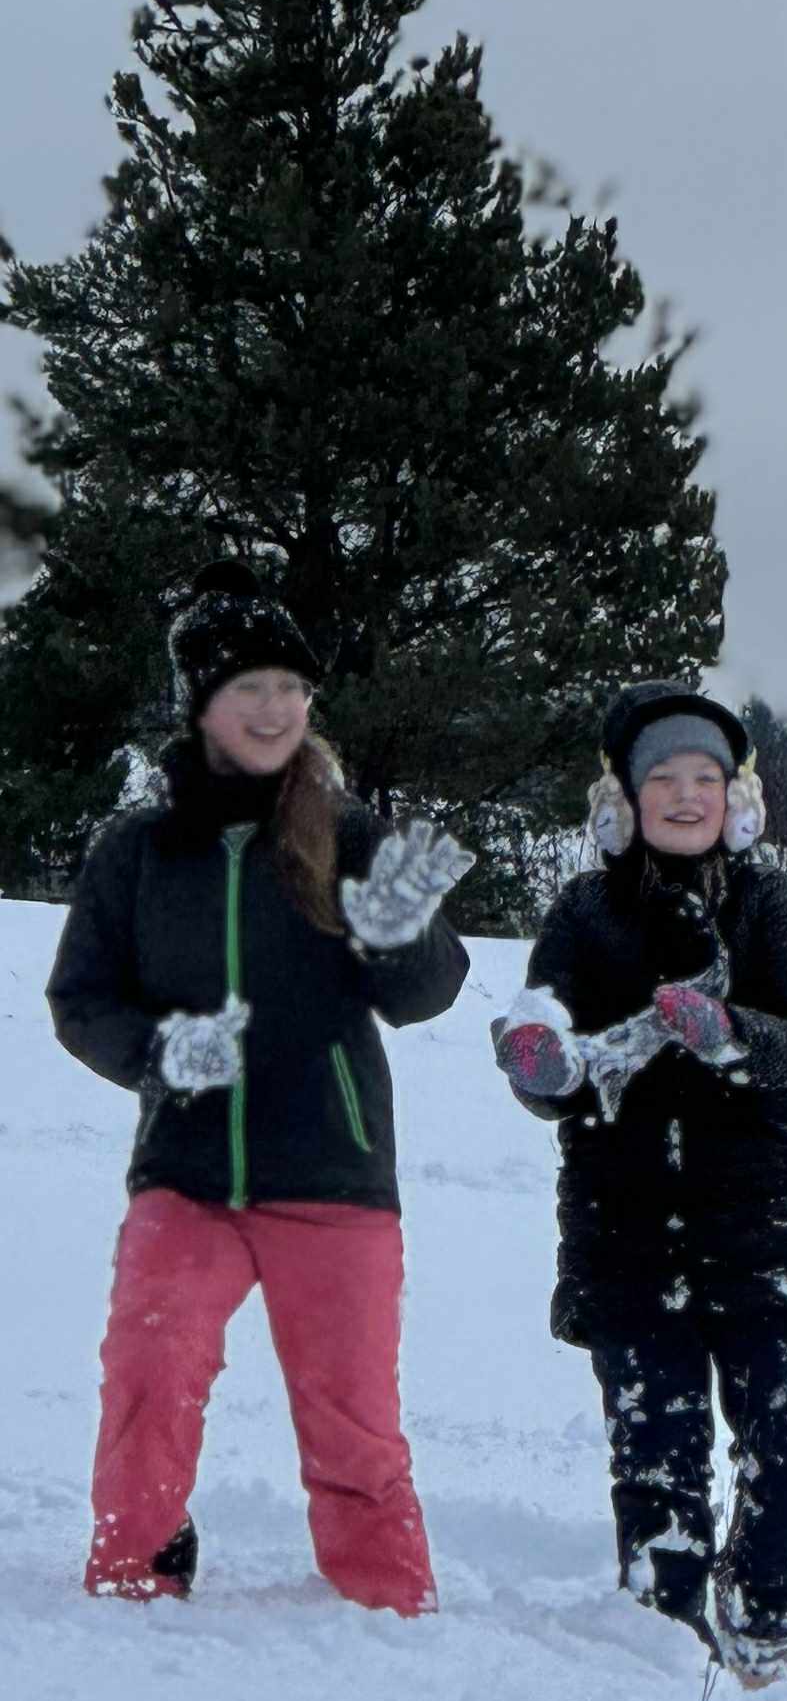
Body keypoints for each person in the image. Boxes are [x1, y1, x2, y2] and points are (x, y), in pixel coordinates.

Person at [48, 557, 471, 1612]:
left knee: (352, 1414)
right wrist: (161, 1054)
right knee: (149, 1373)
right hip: (186, 1172)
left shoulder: (351, 836)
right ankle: (135, 1570)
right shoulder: (137, 851)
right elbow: (81, 998)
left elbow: (427, 993)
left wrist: (400, 932)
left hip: (332, 1171)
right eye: (250, 687)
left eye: (292, 687)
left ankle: (386, 1601)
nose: (276, 707)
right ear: (201, 704)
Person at [493, 683, 787, 1686]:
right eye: (663, 779)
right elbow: (549, 1052)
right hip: (628, 1237)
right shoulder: (583, 913)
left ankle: (762, 1619)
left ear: (737, 799)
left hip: (767, 1230)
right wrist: (540, 1066)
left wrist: (733, 1035)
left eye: (706, 778)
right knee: (658, 1466)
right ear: (624, 800)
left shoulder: (769, 903)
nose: (686, 796)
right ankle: (663, 1648)